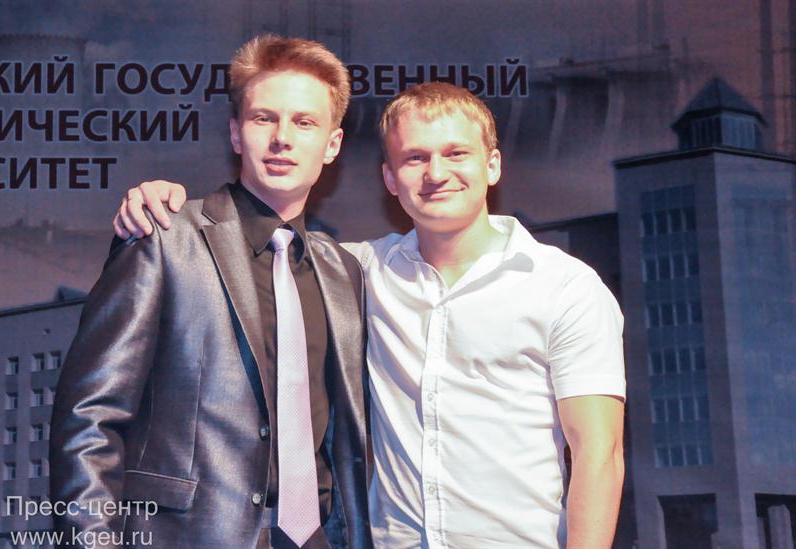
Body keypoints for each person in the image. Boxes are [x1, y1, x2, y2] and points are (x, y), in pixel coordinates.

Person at [115, 82, 626, 549]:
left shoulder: (564, 287)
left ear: (492, 165)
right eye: (415, 158)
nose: (436, 174)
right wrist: (163, 201)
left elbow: (598, 454)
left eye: (456, 154)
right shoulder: (356, 271)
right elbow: (257, 249)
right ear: (389, 178)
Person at [50, 35, 372, 549]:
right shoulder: (164, 236)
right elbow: (90, 419)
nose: (282, 138)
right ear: (236, 133)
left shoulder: (343, 271)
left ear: (332, 144)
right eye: (264, 118)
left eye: (304, 122)